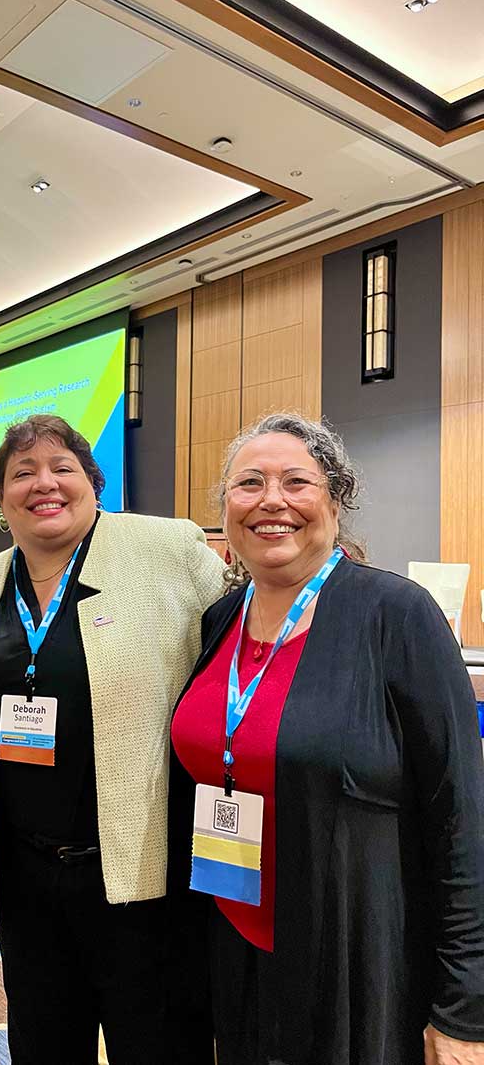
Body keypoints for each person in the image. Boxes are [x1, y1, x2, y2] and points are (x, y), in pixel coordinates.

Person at [170, 411, 484, 1065]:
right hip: (236, 945)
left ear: (335, 501)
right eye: (248, 482)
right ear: (226, 510)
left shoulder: (397, 615)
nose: (271, 500)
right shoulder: (219, 620)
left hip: (353, 958)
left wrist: (463, 1011)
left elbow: (462, 821)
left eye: (296, 481)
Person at [0, 413, 224, 1065]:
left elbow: (244, 644)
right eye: (22, 472)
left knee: (157, 1043)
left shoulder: (167, 550)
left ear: (93, 484)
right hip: (24, 881)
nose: (44, 482)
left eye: (62, 467)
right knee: (43, 1044)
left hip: (141, 879)